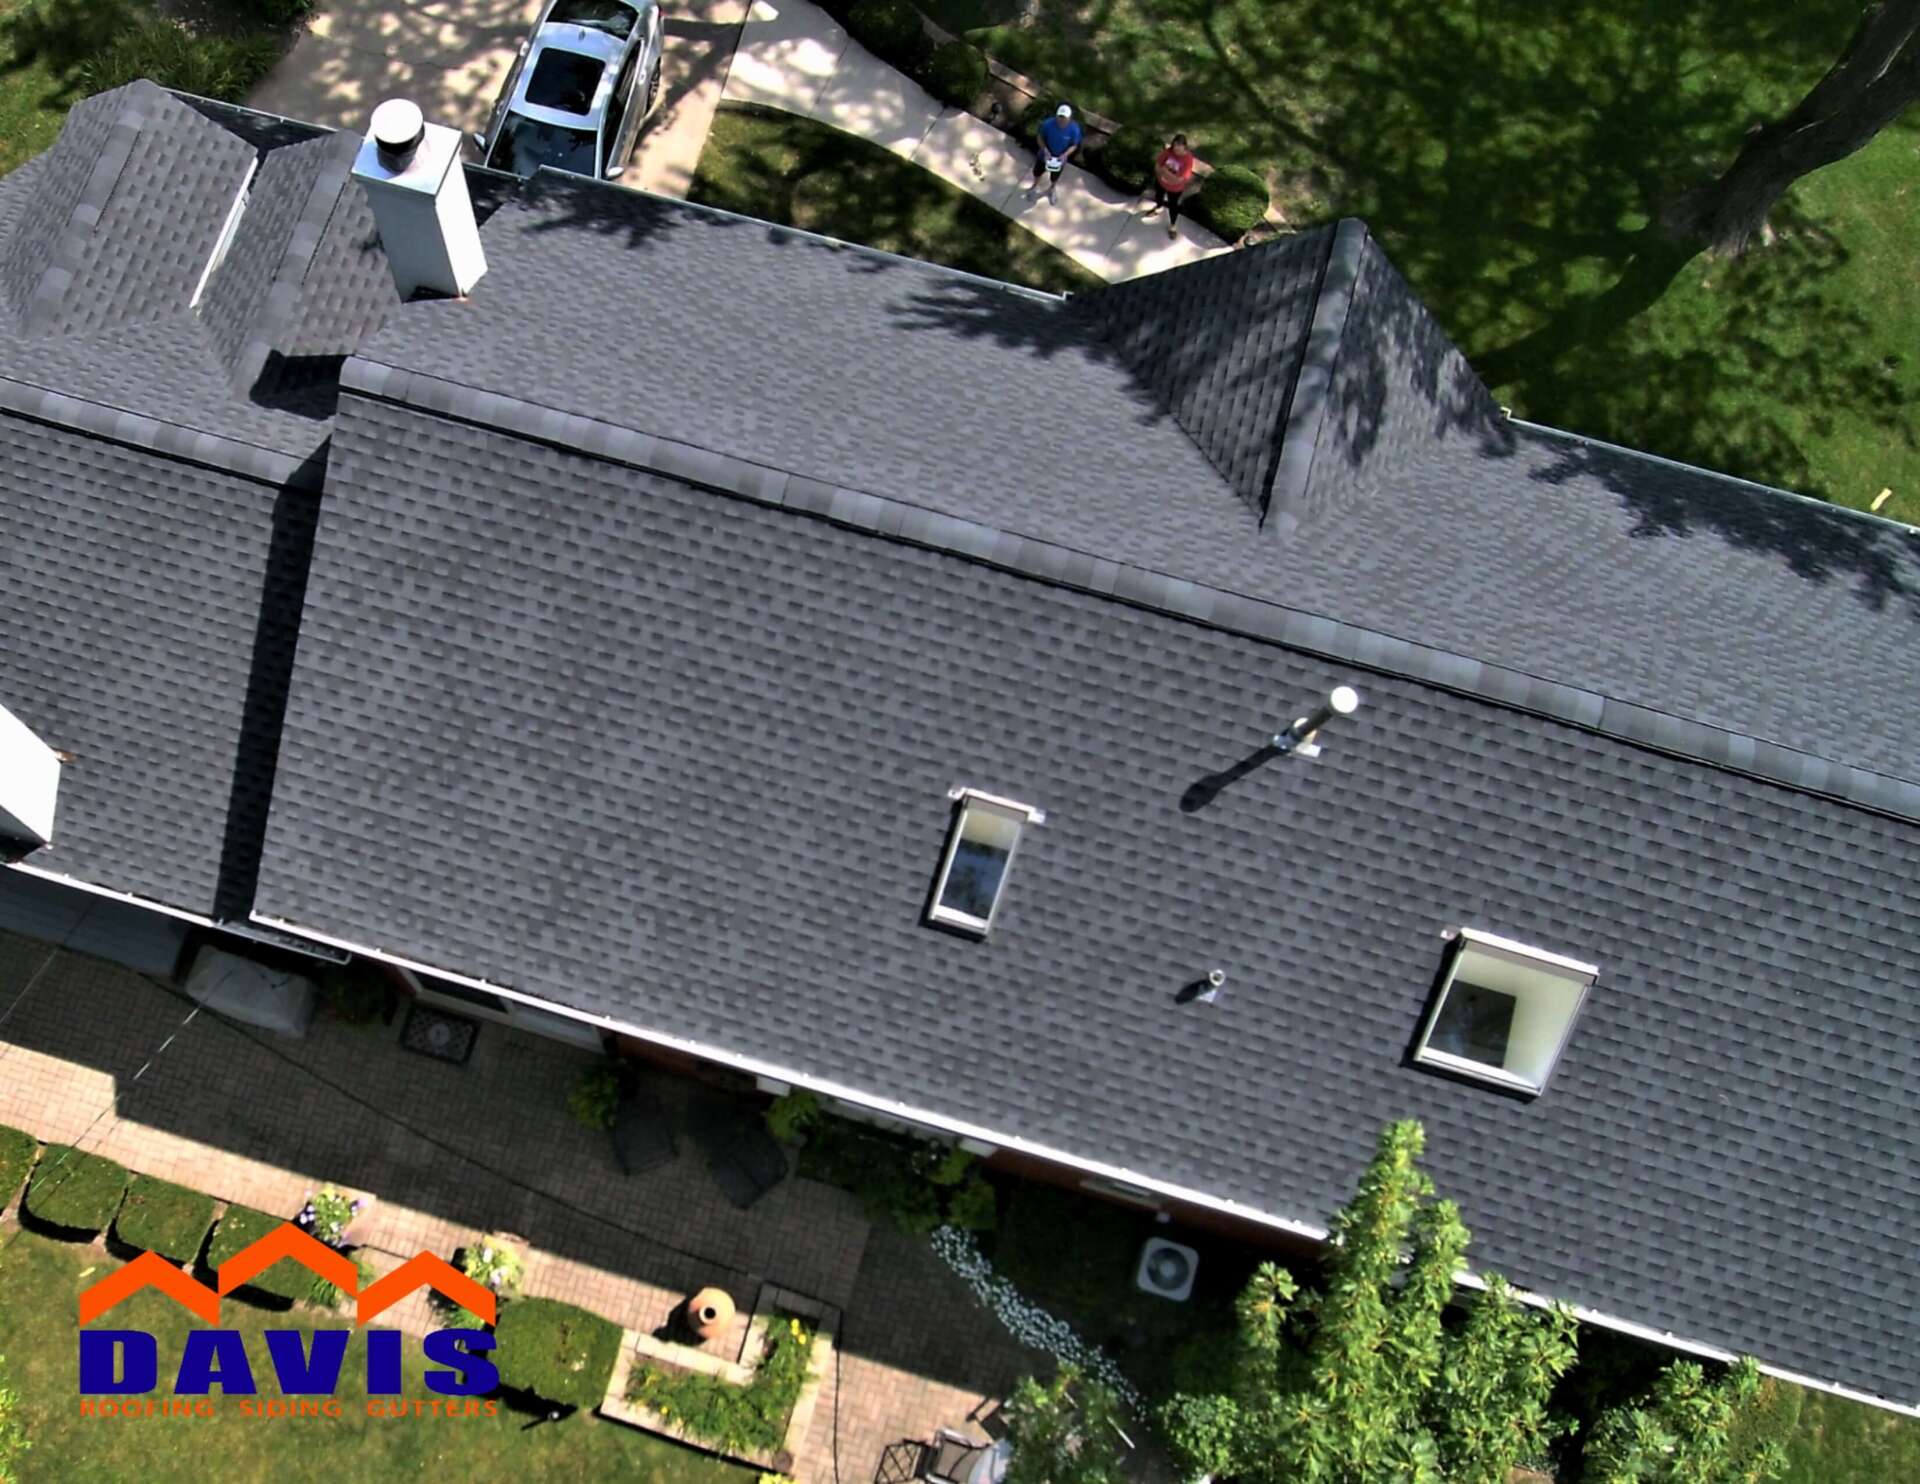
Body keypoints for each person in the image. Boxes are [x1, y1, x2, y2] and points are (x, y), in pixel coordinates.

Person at [1029, 103, 1083, 205]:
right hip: (1044, 156)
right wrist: (1045, 150)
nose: (1061, 119)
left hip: (1060, 159)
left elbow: (1074, 145)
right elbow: (1039, 137)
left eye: (1064, 117)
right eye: (1059, 116)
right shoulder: (1047, 124)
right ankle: (1034, 187)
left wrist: (1065, 155)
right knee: (1037, 173)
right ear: (1056, 115)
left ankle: (1052, 189)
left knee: (1054, 177)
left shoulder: (1074, 129)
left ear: (1069, 118)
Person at [1151, 134, 1196, 237]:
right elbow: (1157, 166)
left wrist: (1164, 171)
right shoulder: (1168, 152)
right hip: (1160, 182)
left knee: (1173, 206)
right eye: (1175, 146)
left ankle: (1172, 225)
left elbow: (1179, 180)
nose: (1176, 150)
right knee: (1158, 196)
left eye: (1179, 147)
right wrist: (1164, 174)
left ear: (1184, 147)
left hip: (1175, 189)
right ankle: (1158, 208)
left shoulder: (1188, 159)